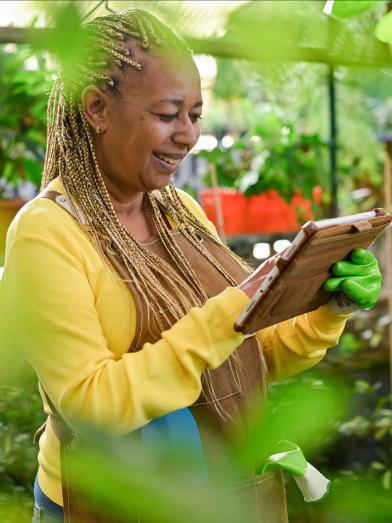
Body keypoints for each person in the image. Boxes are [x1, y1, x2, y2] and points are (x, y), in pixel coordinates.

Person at [1, 9, 382, 523]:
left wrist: (325, 310)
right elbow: (92, 407)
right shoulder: (47, 233)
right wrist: (230, 311)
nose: (187, 136)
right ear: (96, 107)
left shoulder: (181, 213)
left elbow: (248, 358)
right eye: (167, 114)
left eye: (195, 116)